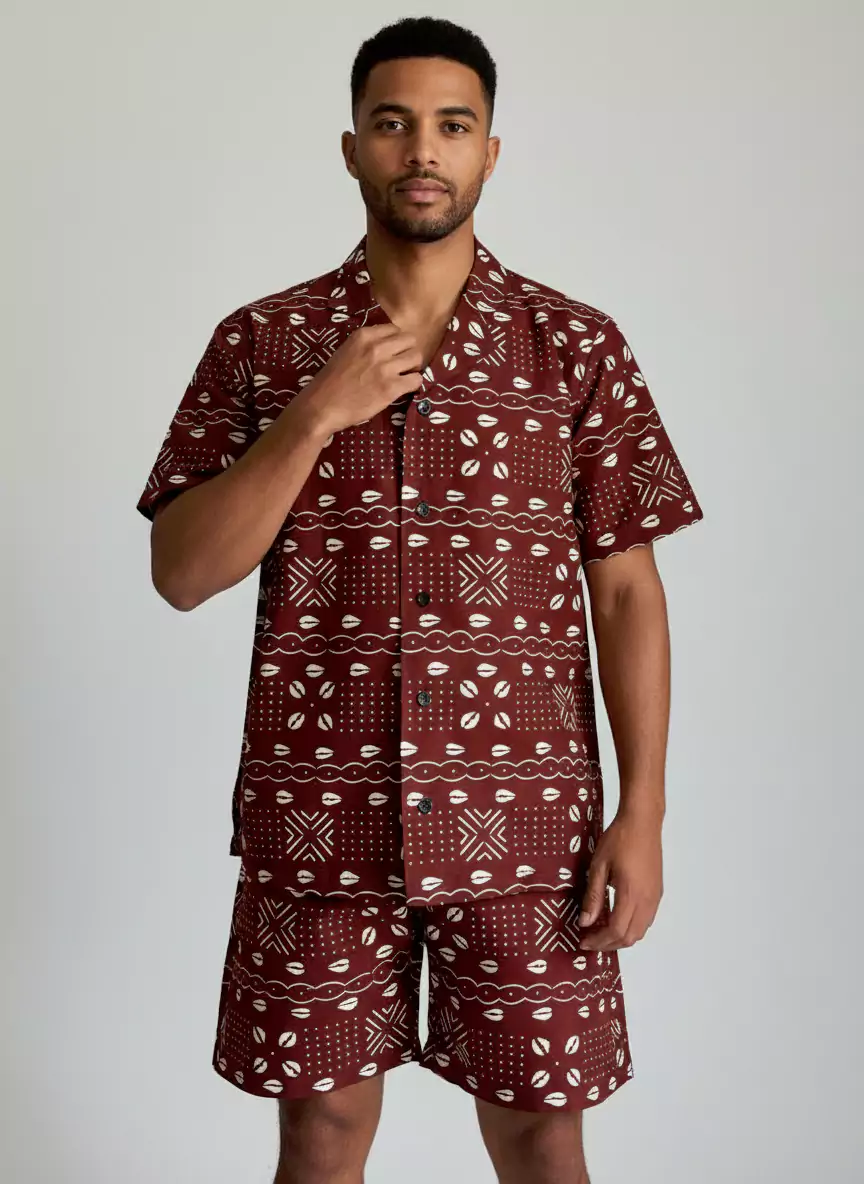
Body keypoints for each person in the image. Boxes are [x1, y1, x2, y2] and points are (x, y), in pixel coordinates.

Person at [136, 15, 704, 1184]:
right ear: (353, 148)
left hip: (529, 827)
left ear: (492, 151)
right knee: (320, 1134)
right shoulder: (264, 343)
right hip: (320, 820)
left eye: (453, 124)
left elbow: (628, 593)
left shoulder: (577, 349)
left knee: (544, 1133)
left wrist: (642, 810)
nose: (423, 150)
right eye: (393, 123)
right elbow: (182, 571)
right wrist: (314, 415)